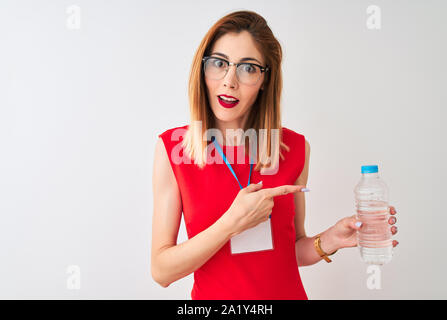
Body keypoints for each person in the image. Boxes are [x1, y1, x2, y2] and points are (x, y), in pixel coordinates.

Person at [151, 10, 399, 300]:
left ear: (265, 78)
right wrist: (232, 223)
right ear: (203, 69)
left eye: (248, 68)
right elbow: (161, 271)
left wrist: (329, 239)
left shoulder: (294, 149)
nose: (229, 81)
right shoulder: (174, 149)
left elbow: (289, 251)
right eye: (219, 64)